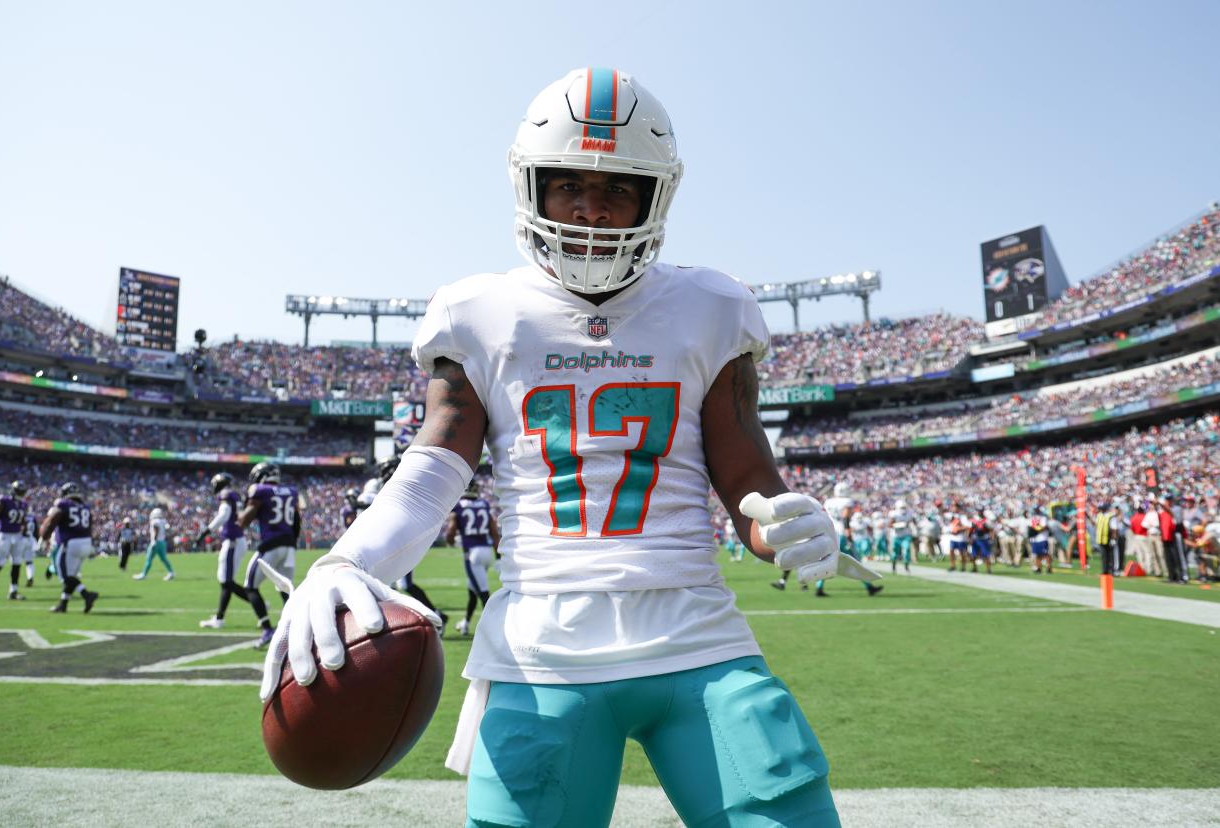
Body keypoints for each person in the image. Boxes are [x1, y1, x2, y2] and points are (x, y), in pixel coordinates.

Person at [260, 67, 878, 826]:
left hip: (698, 638)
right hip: (539, 651)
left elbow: (747, 479)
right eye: (567, 186)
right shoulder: (482, 311)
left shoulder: (711, 306)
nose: (589, 209)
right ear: (532, 188)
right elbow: (436, 463)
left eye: (617, 188)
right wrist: (353, 558)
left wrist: (786, 523)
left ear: (656, 197)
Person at [362, 452, 448, 627]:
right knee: (392, 585)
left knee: (400, 585)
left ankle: (431, 616)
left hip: (403, 541)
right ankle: (400, 621)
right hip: (396, 541)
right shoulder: (391, 487)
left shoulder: (401, 487)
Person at [239, 462, 301, 647]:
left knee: (250, 586)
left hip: (271, 544)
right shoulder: (291, 491)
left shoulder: (259, 490)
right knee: (286, 589)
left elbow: (245, 519)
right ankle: (298, 628)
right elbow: (297, 521)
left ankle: (267, 629)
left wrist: (242, 514)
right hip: (289, 545)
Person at [198, 472, 255, 629]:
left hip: (232, 542)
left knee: (226, 581)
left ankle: (257, 603)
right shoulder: (234, 495)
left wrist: (206, 532)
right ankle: (220, 617)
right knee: (226, 582)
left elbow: (223, 515)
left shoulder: (226, 495)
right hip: (236, 540)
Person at [445, 479, 501, 637]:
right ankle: (466, 624)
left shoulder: (459, 506)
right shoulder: (484, 504)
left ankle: (497, 629)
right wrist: (497, 557)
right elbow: (494, 532)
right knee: (472, 591)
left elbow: (450, 532)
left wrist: (451, 541)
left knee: (484, 594)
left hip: (473, 555)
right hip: (487, 552)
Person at [38, 482, 99, 613]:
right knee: (71, 576)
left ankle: (87, 594)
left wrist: (43, 537)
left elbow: (52, 521)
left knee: (65, 576)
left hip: (70, 544)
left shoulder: (63, 504)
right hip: (86, 543)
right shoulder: (85, 507)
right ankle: (63, 604)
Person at [0, 480, 32, 601]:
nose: (21, 493)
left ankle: (13, 591)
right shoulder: (4, 501)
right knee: (0, 563)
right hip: (5, 535)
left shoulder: (23, 505)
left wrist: (26, 531)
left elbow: (23, 520)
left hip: (17, 535)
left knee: (17, 563)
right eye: (20, 491)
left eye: (23, 491)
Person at [132, 507, 175, 581]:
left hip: (156, 542)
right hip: (162, 542)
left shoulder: (155, 521)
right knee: (164, 559)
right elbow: (168, 530)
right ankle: (171, 572)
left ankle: (143, 574)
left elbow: (156, 530)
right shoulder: (163, 521)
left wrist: (154, 541)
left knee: (149, 559)